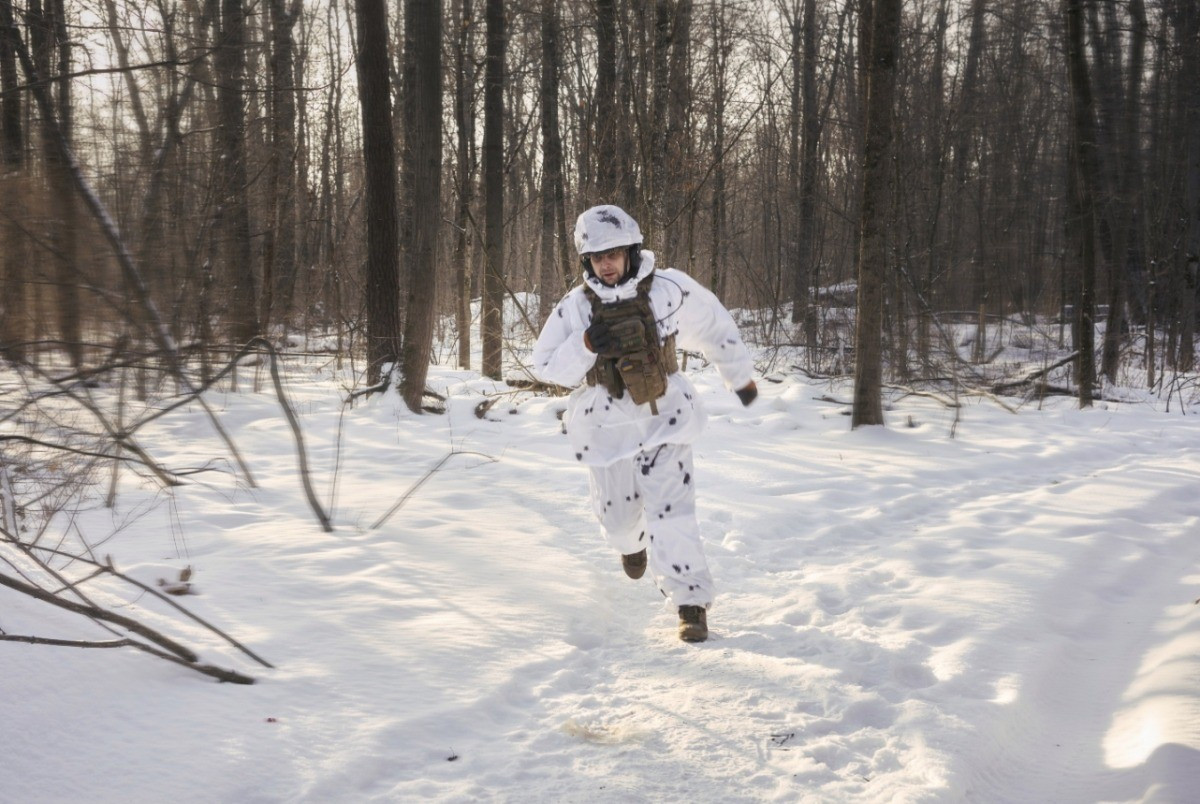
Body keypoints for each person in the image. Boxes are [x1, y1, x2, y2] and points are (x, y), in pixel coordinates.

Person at [532, 204, 757, 643]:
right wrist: (583, 345)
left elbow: (715, 325)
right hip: (606, 426)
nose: (607, 264)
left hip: (664, 417)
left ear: (632, 250)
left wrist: (740, 376)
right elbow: (544, 366)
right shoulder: (576, 308)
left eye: (614, 253)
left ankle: (690, 603)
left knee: (671, 513)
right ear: (587, 262)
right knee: (616, 521)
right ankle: (630, 545)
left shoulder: (668, 290)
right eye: (598, 257)